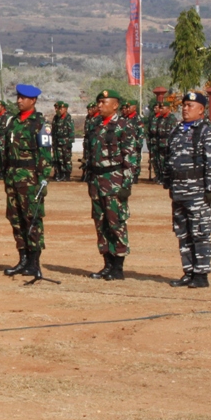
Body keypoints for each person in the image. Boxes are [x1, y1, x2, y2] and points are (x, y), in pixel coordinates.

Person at [161, 92, 211, 289]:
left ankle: (201, 274)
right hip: (179, 190)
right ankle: (188, 271)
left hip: (197, 190)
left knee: (200, 232)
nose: (185, 109)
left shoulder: (205, 132)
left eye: (190, 105)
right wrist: (168, 182)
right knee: (183, 233)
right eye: (184, 105)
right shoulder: (177, 130)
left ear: (201, 109)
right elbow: (169, 158)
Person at [84, 90, 137, 281]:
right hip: (97, 182)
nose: (99, 105)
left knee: (116, 223)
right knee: (101, 224)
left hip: (114, 182)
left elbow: (130, 158)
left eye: (103, 102)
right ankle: (107, 264)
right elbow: (90, 155)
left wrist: (126, 185)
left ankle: (118, 266)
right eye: (98, 102)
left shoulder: (124, 126)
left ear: (115, 105)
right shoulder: (95, 126)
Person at [2, 85, 53, 278]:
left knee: (32, 220)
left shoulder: (41, 125)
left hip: (31, 179)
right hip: (13, 178)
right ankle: (22, 259)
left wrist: (42, 181)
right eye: (18, 97)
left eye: (23, 98)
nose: (19, 101)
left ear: (33, 101)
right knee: (15, 219)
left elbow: (45, 156)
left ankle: (34, 262)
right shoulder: (12, 122)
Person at [52, 101, 74, 181]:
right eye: (58, 108)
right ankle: (60, 174)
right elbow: (54, 130)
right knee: (59, 159)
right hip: (57, 141)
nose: (58, 110)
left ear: (65, 109)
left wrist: (69, 143)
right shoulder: (56, 118)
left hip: (65, 142)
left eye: (61, 108)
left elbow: (71, 132)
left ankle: (67, 174)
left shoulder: (68, 118)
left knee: (66, 159)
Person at [79, 102, 100, 182]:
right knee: (85, 158)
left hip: (94, 141)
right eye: (88, 109)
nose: (89, 111)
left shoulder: (99, 118)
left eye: (91, 109)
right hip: (87, 140)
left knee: (93, 158)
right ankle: (85, 174)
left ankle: (92, 175)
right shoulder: (88, 118)